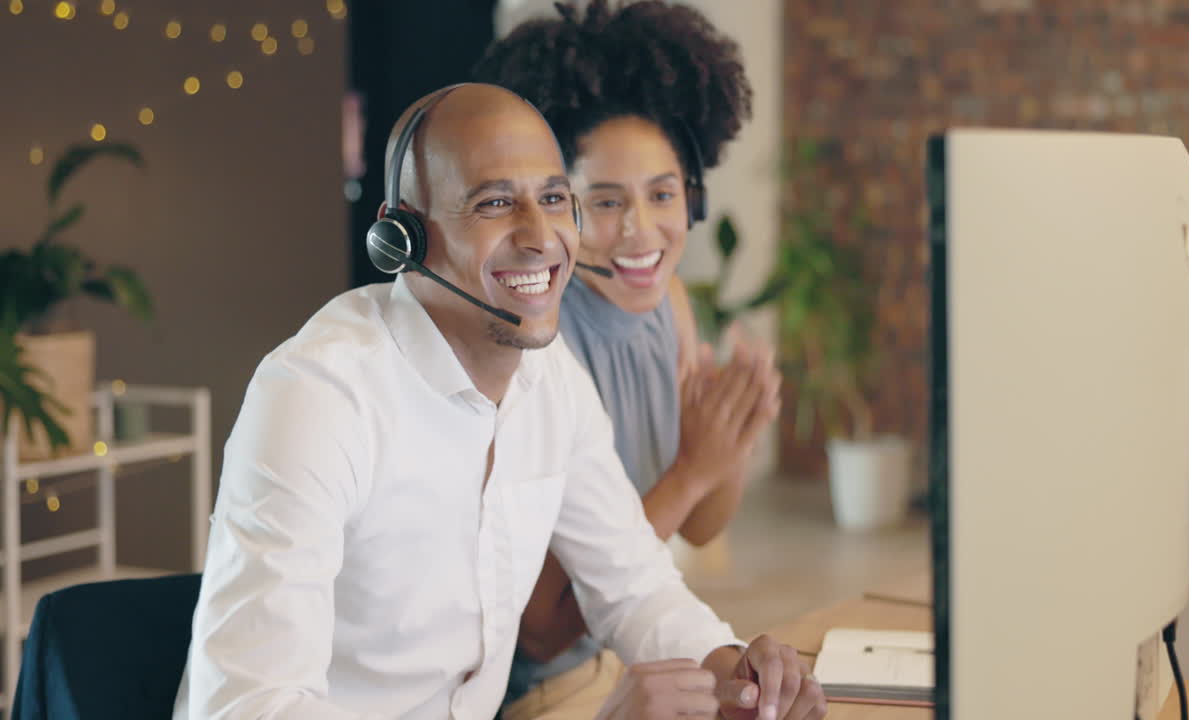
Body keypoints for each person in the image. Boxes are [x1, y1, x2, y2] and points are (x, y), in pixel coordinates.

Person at [171, 83, 823, 720]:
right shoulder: (318, 397)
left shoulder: (551, 380)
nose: (541, 236)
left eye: (553, 198)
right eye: (494, 204)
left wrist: (737, 672)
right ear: (402, 238)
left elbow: (636, 587)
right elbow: (248, 706)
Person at [472, 3, 788, 718]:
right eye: (604, 202)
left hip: (631, 656)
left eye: (663, 195)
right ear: (555, 207)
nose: (641, 232)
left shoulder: (667, 302)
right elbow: (546, 629)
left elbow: (702, 524)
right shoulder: (537, 345)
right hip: (534, 691)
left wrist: (730, 439)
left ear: (693, 198)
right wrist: (692, 467)